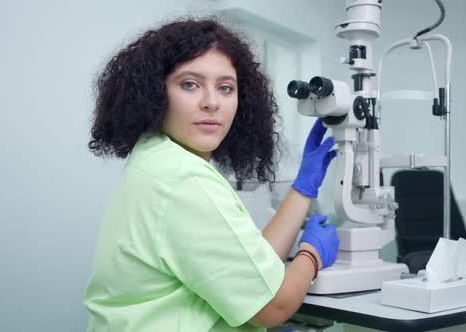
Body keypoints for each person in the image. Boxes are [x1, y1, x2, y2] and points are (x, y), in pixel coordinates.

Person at [84, 17, 340, 332]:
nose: (211, 102)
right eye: (190, 84)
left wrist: (303, 188)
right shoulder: (183, 178)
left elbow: (250, 273)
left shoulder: (156, 158)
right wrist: (311, 255)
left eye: (225, 87)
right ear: (155, 92)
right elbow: (272, 306)